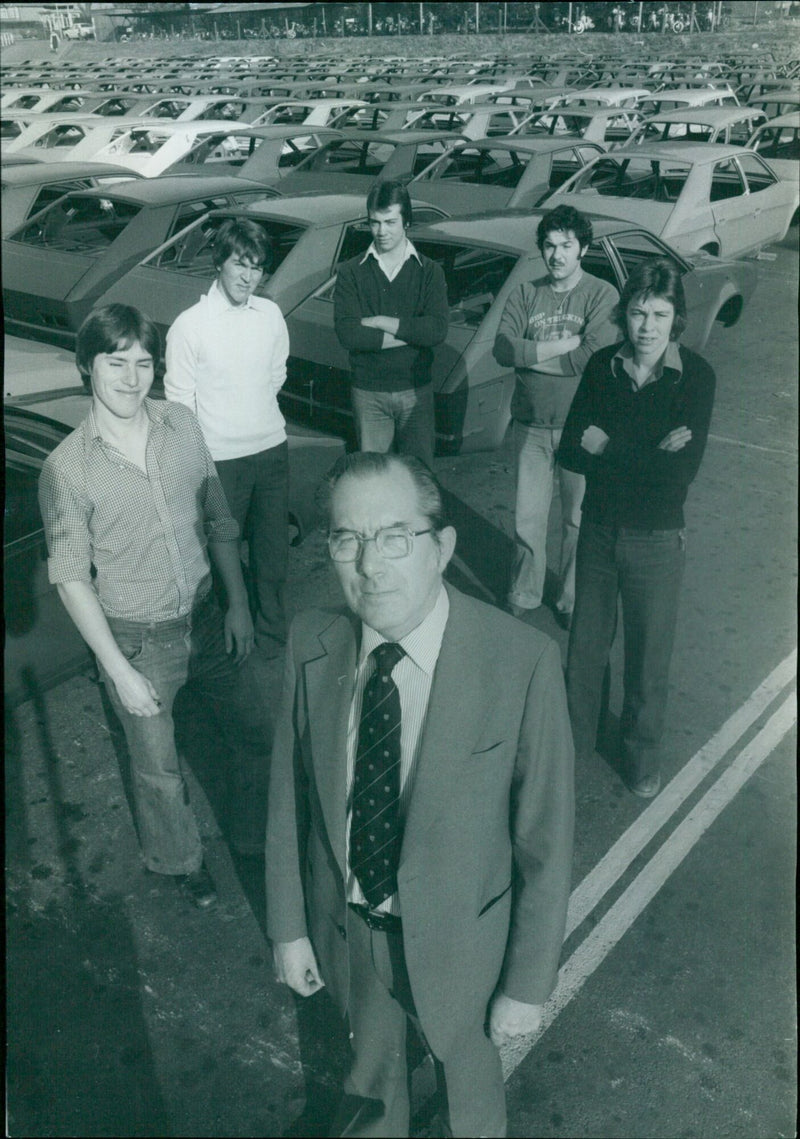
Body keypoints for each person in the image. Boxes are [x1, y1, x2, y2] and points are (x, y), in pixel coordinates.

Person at [265, 452, 574, 1138]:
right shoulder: (311, 642)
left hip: (468, 949)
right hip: (352, 931)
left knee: (468, 1098)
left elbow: (545, 842)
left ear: (443, 546)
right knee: (371, 1090)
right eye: (348, 538)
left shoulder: (521, 662)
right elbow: (291, 798)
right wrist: (289, 925)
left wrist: (527, 984)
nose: (371, 564)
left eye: (395, 536)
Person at [38, 305, 271, 908]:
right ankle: (179, 860)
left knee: (256, 733)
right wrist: (120, 671)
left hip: (208, 617)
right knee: (159, 772)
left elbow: (219, 519)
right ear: (87, 365)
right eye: (116, 362)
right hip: (139, 641)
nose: (131, 377)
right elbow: (70, 578)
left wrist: (238, 604)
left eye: (143, 363)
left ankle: (254, 835)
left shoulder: (182, 426)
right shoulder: (66, 468)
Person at [558, 260, 716, 799]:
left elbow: (679, 476)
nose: (647, 326)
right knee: (584, 653)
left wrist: (609, 444)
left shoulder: (695, 377)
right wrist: (647, 452)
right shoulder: (602, 365)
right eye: (638, 312)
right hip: (599, 532)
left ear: (677, 320)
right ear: (624, 315)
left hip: (655, 540)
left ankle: (640, 759)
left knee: (648, 659)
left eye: (660, 314)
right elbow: (569, 447)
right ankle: (573, 751)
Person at [165, 217, 290, 659]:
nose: (248, 277)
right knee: (223, 560)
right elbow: (180, 407)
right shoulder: (189, 326)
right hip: (220, 463)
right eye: (241, 264)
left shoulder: (270, 315)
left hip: (272, 453)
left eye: (257, 268)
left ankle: (273, 645)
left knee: (272, 559)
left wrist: (252, 418)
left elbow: (276, 377)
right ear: (220, 262)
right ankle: (231, 644)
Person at [493, 205, 619, 628]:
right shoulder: (526, 293)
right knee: (527, 518)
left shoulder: (602, 295)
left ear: (583, 248)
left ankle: (569, 600)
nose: (557, 254)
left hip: (580, 429)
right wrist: (562, 345)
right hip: (530, 426)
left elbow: (588, 358)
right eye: (549, 245)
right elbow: (504, 350)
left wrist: (532, 356)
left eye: (567, 245)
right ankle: (524, 593)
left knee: (577, 521)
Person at [333, 180, 449, 470]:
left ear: (406, 221)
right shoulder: (350, 272)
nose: (381, 232)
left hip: (415, 392)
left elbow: (436, 330)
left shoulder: (430, 272)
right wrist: (412, 332)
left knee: (418, 480)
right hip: (368, 394)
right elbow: (349, 334)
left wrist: (382, 322)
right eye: (374, 223)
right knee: (376, 480)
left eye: (390, 222)